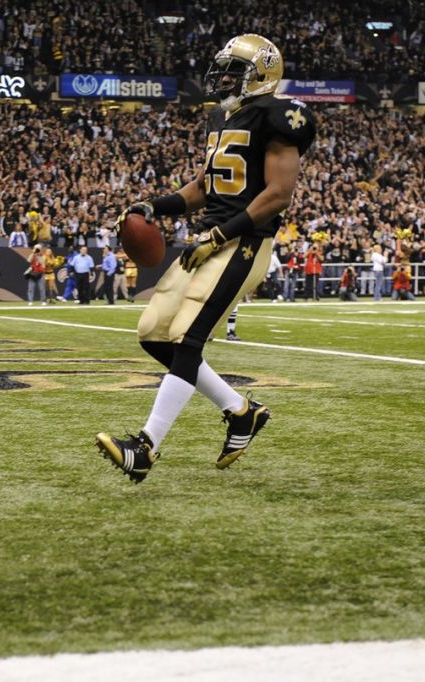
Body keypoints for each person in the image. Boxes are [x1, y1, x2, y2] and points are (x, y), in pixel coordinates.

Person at [96, 33, 315, 482]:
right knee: (153, 333)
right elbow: (203, 187)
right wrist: (154, 206)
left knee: (187, 339)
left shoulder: (281, 116)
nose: (224, 77)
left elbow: (278, 195)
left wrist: (218, 236)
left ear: (261, 76)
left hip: (245, 242)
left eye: (235, 70)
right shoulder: (222, 116)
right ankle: (240, 411)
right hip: (211, 238)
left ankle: (146, 447)